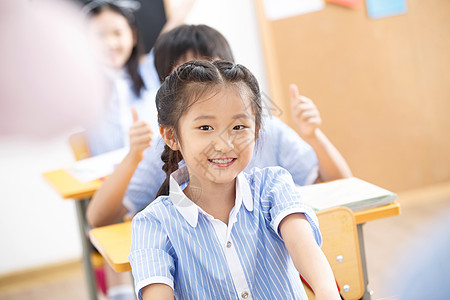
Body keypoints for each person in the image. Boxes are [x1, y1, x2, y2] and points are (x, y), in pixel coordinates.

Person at [86, 24, 352, 228]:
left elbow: (344, 189)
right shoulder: (167, 145)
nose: (207, 85)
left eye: (213, 67)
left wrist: (314, 136)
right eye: (190, 73)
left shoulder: (263, 130)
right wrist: (133, 157)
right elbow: (99, 218)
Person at [128, 60, 340, 299]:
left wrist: (327, 293)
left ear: (256, 130)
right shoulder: (153, 223)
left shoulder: (272, 186)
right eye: (206, 127)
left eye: (239, 127)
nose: (224, 144)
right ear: (172, 136)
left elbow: (304, 247)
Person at [82, 0, 194, 156]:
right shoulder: (82, 83)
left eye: (117, 33)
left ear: (133, 36)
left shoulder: (149, 71)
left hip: (152, 168)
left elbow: (174, 23)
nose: (110, 43)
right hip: (106, 174)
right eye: (100, 35)